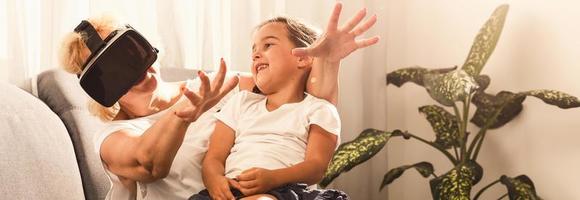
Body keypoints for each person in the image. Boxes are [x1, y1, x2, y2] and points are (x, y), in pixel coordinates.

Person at [58, 2, 377, 200]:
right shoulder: (114, 136)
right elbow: (147, 163)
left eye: (130, 53)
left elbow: (305, 104)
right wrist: (183, 115)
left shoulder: (218, 86)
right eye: (113, 69)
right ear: (99, 88)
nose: (132, 70)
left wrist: (328, 61)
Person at [192, 12, 374, 199]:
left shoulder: (319, 110)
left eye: (268, 45)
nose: (255, 54)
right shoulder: (241, 102)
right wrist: (214, 181)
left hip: (284, 190)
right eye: (253, 49)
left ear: (302, 58)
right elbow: (214, 157)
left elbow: (316, 167)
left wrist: (273, 178)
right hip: (229, 191)